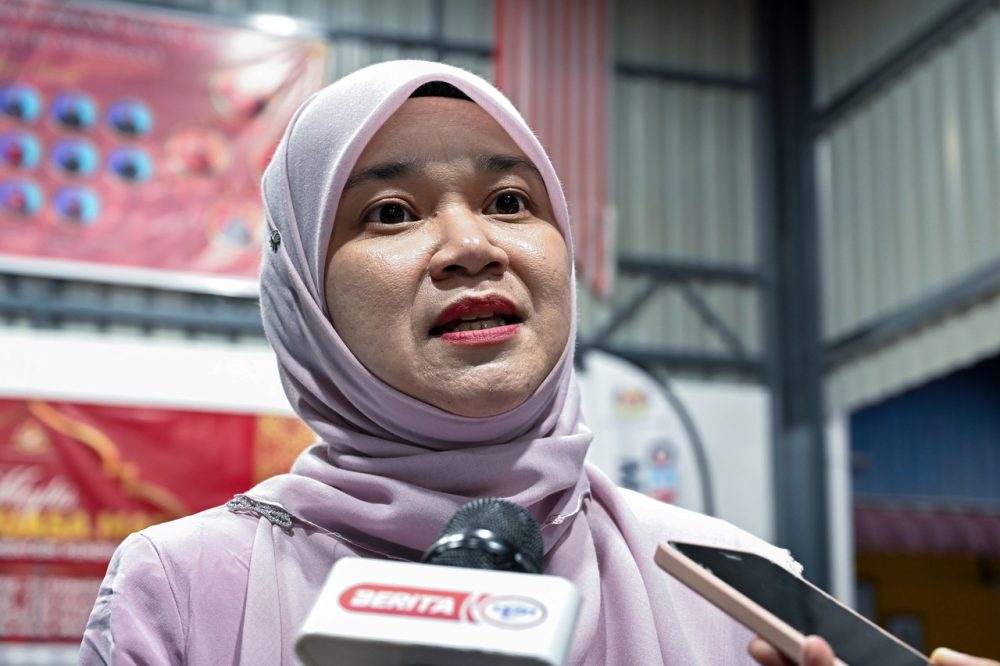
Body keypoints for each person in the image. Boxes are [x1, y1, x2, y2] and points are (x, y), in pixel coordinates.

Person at [79, 60, 997, 666]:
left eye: (512, 200)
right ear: (302, 294)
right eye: (391, 213)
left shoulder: (740, 593)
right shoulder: (185, 591)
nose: (471, 246)